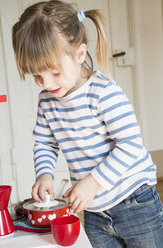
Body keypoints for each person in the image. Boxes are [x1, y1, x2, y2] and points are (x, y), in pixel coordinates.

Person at [12, 0, 163, 247]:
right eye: (36, 75)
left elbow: (131, 145)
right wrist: (45, 174)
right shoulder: (47, 102)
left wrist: (92, 183)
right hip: (93, 209)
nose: (46, 83)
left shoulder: (104, 93)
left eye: (54, 72)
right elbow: (45, 143)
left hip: (134, 202)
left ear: (79, 54)